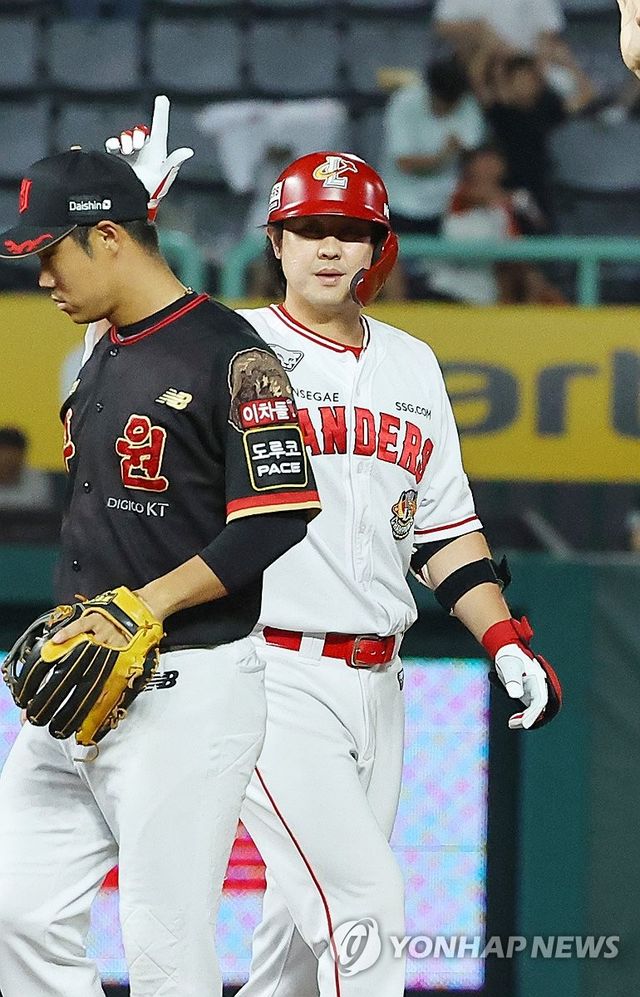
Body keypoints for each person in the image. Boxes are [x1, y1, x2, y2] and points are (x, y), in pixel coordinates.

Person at [107, 110, 563, 996]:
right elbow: (122, 346)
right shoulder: (225, 341)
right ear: (276, 242)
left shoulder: (414, 363)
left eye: (348, 230)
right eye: (308, 227)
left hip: (380, 685)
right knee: (365, 907)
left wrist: (505, 640)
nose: (327, 246)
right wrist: (133, 229)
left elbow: (444, 532)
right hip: (265, 671)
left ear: (375, 251)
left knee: (295, 956)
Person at [0, 146, 320, 997]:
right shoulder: (101, 345)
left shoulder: (232, 353)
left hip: (187, 688)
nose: (41, 277)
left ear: (107, 238)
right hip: (77, 682)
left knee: (163, 949)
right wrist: (131, 194)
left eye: (50, 252)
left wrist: (145, 605)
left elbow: (278, 514)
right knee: (16, 913)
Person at [468, 49, 593, 229]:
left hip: (539, 184)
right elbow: (476, 80)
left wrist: (569, 63)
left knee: (543, 232)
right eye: (519, 79)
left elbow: (587, 95)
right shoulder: (500, 111)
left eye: (529, 78)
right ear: (509, 82)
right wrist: (489, 49)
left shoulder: (547, 107)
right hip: (507, 186)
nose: (525, 84)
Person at [428, 146, 565, 304]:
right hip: (453, 286)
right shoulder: (455, 192)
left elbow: (536, 228)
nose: (488, 166)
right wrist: (504, 199)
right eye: (482, 160)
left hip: (492, 286)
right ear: (470, 166)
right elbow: (475, 198)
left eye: (493, 160)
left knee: (532, 279)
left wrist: (520, 205)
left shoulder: (516, 201)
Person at [0, 426, 55, 511]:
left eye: (13, 454)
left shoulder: (37, 480)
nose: (8, 460)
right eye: (4, 453)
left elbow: (41, 513)